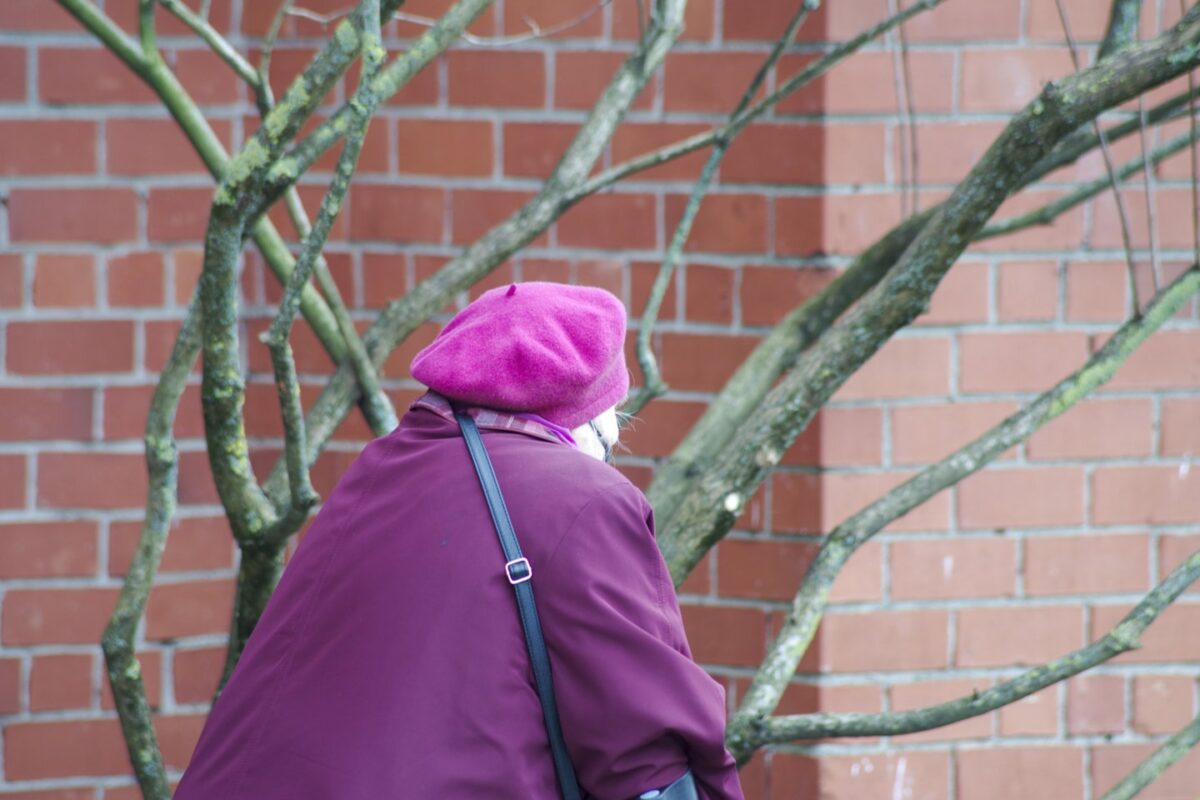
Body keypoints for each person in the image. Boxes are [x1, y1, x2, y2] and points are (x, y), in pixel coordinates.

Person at [173, 281, 744, 799]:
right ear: (591, 416)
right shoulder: (583, 498)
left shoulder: (380, 468)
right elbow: (645, 756)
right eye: (615, 412)